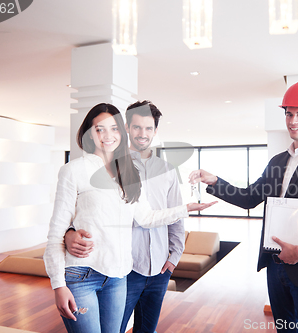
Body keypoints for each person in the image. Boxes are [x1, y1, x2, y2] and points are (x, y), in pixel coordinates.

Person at [189, 81, 298, 333]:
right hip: (276, 267)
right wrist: (214, 181)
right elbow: (249, 198)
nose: (293, 120)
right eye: (289, 113)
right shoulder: (278, 161)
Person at [43, 103, 215, 333]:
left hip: (118, 276)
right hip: (83, 274)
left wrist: (186, 209)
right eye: (99, 129)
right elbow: (57, 231)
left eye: (113, 129)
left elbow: (146, 217)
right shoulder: (74, 170)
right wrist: (58, 284)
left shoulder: (127, 173)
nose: (107, 135)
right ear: (89, 133)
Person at [65, 100, 185, 333]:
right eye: (137, 127)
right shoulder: (110, 166)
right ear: (126, 129)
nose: (143, 134)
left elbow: (176, 216)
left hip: (160, 268)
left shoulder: (168, 171)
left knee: (147, 330)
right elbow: (84, 211)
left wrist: (174, 257)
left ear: (155, 131)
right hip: (122, 270)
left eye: (149, 128)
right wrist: (69, 232)